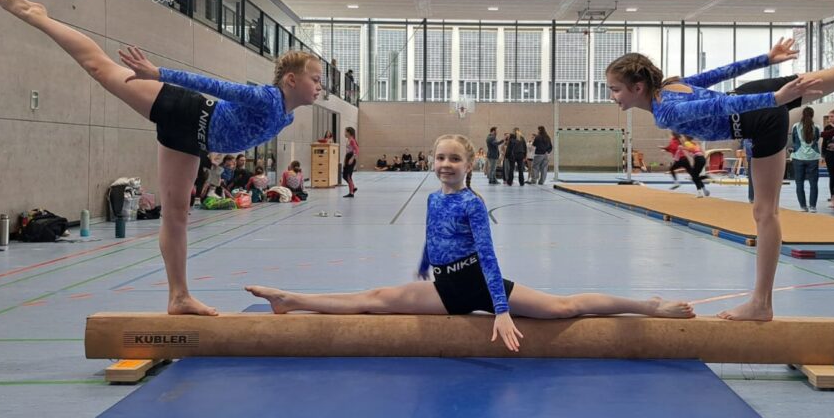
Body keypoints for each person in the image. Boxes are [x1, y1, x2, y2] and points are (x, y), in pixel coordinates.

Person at [605, 19, 834, 321]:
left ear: (637, 87)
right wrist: (767, 60)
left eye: (615, 89)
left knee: (765, 213)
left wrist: (777, 99)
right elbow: (720, 73)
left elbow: (719, 109)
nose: (612, 96)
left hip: (757, 117)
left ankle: (761, 303)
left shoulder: (665, 111)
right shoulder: (671, 86)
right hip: (754, 96)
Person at [0, 0, 325, 315]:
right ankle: (38, 17)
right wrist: (160, 74)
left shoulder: (287, 116)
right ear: (291, 80)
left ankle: (179, 297)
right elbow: (218, 87)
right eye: (316, 79)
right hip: (186, 111)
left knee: (176, 214)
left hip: (191, 139)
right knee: (101, 68)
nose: (320, 87)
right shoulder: (267, 98)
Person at [245, 134, 694, 352]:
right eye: (440, 157)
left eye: (454, 159)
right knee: (374, 299)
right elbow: (433, 235)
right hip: (444, 287)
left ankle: (649, 307)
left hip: (479, 284)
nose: (445, 164)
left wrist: (502, 310)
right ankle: (289, 299)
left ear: (470, 163)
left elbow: (489, 258)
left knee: (564, 307)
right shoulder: (432, 198)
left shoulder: (472, 203)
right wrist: (425, 262)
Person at [791, 107, 821, 212]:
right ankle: (813, 206)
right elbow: (817, 139)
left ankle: (803, 206)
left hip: (798, 157)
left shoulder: (795, 126)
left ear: (802, 115)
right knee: (813, 183)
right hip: (813, 157)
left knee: (799, 183)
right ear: (812, 115)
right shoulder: (816, 127)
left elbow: (793, 140)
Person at [821, 110, 834, 209]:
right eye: (829, 117)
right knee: (832, 177)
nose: (829, 119)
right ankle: (833, 199)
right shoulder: (827, 128)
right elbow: (824, 142)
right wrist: (823, 155)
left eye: (832, 116)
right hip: (830, 154)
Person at [342, 127, 358, 198]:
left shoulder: (352, 140)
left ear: (349, 132)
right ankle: (353, 187)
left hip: (351, 158)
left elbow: (356, 150)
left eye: (345, 132)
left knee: (348, 176)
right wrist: (344, 161)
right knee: (344, 176)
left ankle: (351, 193)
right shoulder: (348, 140)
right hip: (347, 158)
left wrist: (352, 158)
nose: (344, 133)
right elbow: (347, 152)